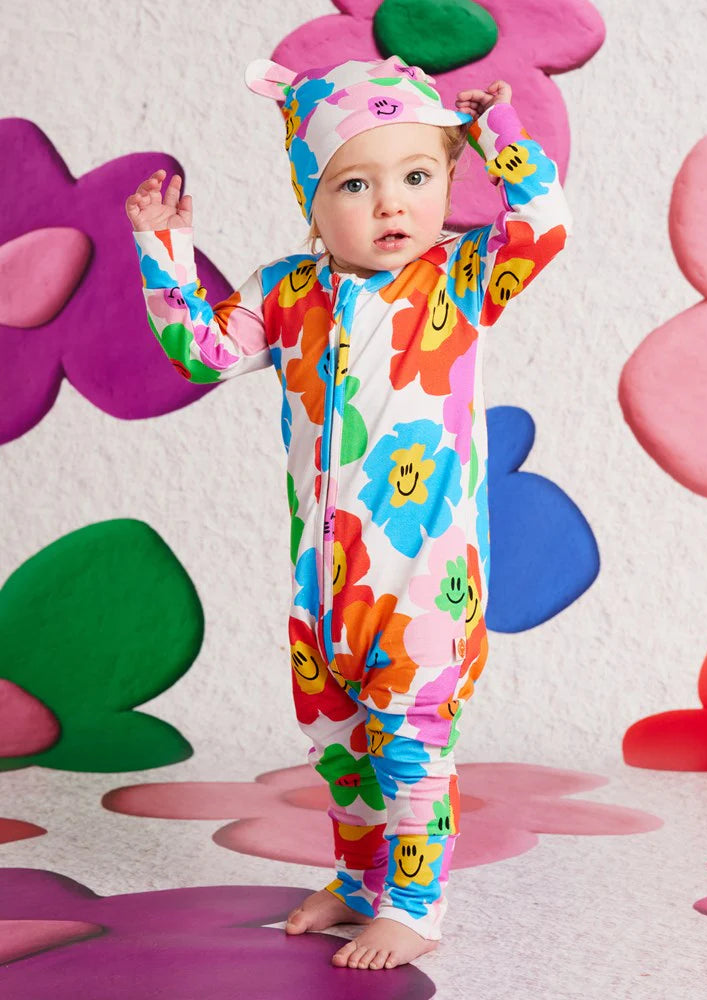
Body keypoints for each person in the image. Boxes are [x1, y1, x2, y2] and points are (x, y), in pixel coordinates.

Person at [126, 54, 570, 971]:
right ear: (311, 199)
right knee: (339, 745)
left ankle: (414, 905)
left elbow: (545, 224)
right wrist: (165, 256)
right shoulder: (287, 291)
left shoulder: (461, 277)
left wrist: (498, 135)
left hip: (424, 585)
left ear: (449, 181)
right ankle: (361, 880)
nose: (390, 204)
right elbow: (202, 353)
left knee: (410, 745)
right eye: (356, 185)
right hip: (322, 588)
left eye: (417, 177)